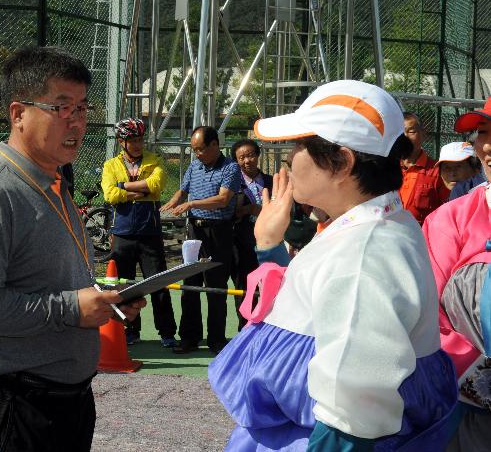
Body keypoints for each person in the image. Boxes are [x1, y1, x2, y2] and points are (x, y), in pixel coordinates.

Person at [209, 80, 458, 450]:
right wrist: (269, 246)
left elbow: (354, 413)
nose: (289, 158)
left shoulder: (365, 253)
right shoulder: (369, 227)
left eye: (300, 145)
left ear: (342, 162)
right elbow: (306, 310)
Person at [0, 46, 145, 452]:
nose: (77, 122)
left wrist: (105, 303)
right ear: (18, 114)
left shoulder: (53, 184)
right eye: (62, 107)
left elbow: (54, 281)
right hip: (14, 402)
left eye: (82, 108)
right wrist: (72, 308)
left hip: (63, 399)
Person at [422, 99, 491, 450]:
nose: (488, 145)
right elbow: (428, 314)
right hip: (468, 410)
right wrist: (478, 379)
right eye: (483, 133)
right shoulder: (451, 219)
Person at [160, 126, 241, 354]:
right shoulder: (195, 165)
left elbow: (223, 200)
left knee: (216, 287)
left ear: (215, 145)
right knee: (190, 285)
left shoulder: (231, 168)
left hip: (219, 233)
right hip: (194, 232)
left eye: (200, 149)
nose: (197, 154)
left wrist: (192, 204)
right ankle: (189, 338)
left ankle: (216, 340)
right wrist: (173, 201)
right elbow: (183, 190)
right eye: (194, 150)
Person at [101, 117, 178, 348]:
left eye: (140, 139)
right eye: (132, 140)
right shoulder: (110, 165)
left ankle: (167, 333)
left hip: (149, 232)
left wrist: (123, 187)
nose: (138, 144)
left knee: (159, 284)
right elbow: (109, 195)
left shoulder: (155, 160)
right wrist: (135, 191)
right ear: (121, 141)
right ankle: (129, 331)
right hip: (122, 233)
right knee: (124, 286)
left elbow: (157, 184)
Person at [230, 138, 272, 330]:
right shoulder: (232, 185)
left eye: (251, 155)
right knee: (245, 288)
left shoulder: (271, 181)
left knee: (271, 287)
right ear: (236, 161)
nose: (247, 161)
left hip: (271, 243)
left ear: (257, 155)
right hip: (243, 243)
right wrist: (248, 210)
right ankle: (245, 329)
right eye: (242, 157)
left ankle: (269, 329)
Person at [399, 111, 449, 224]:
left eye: (411, 131)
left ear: (424, 135)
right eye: (400, 133)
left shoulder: (437, 171)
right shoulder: (387, 168)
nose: (405, 137)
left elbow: (446, 210)